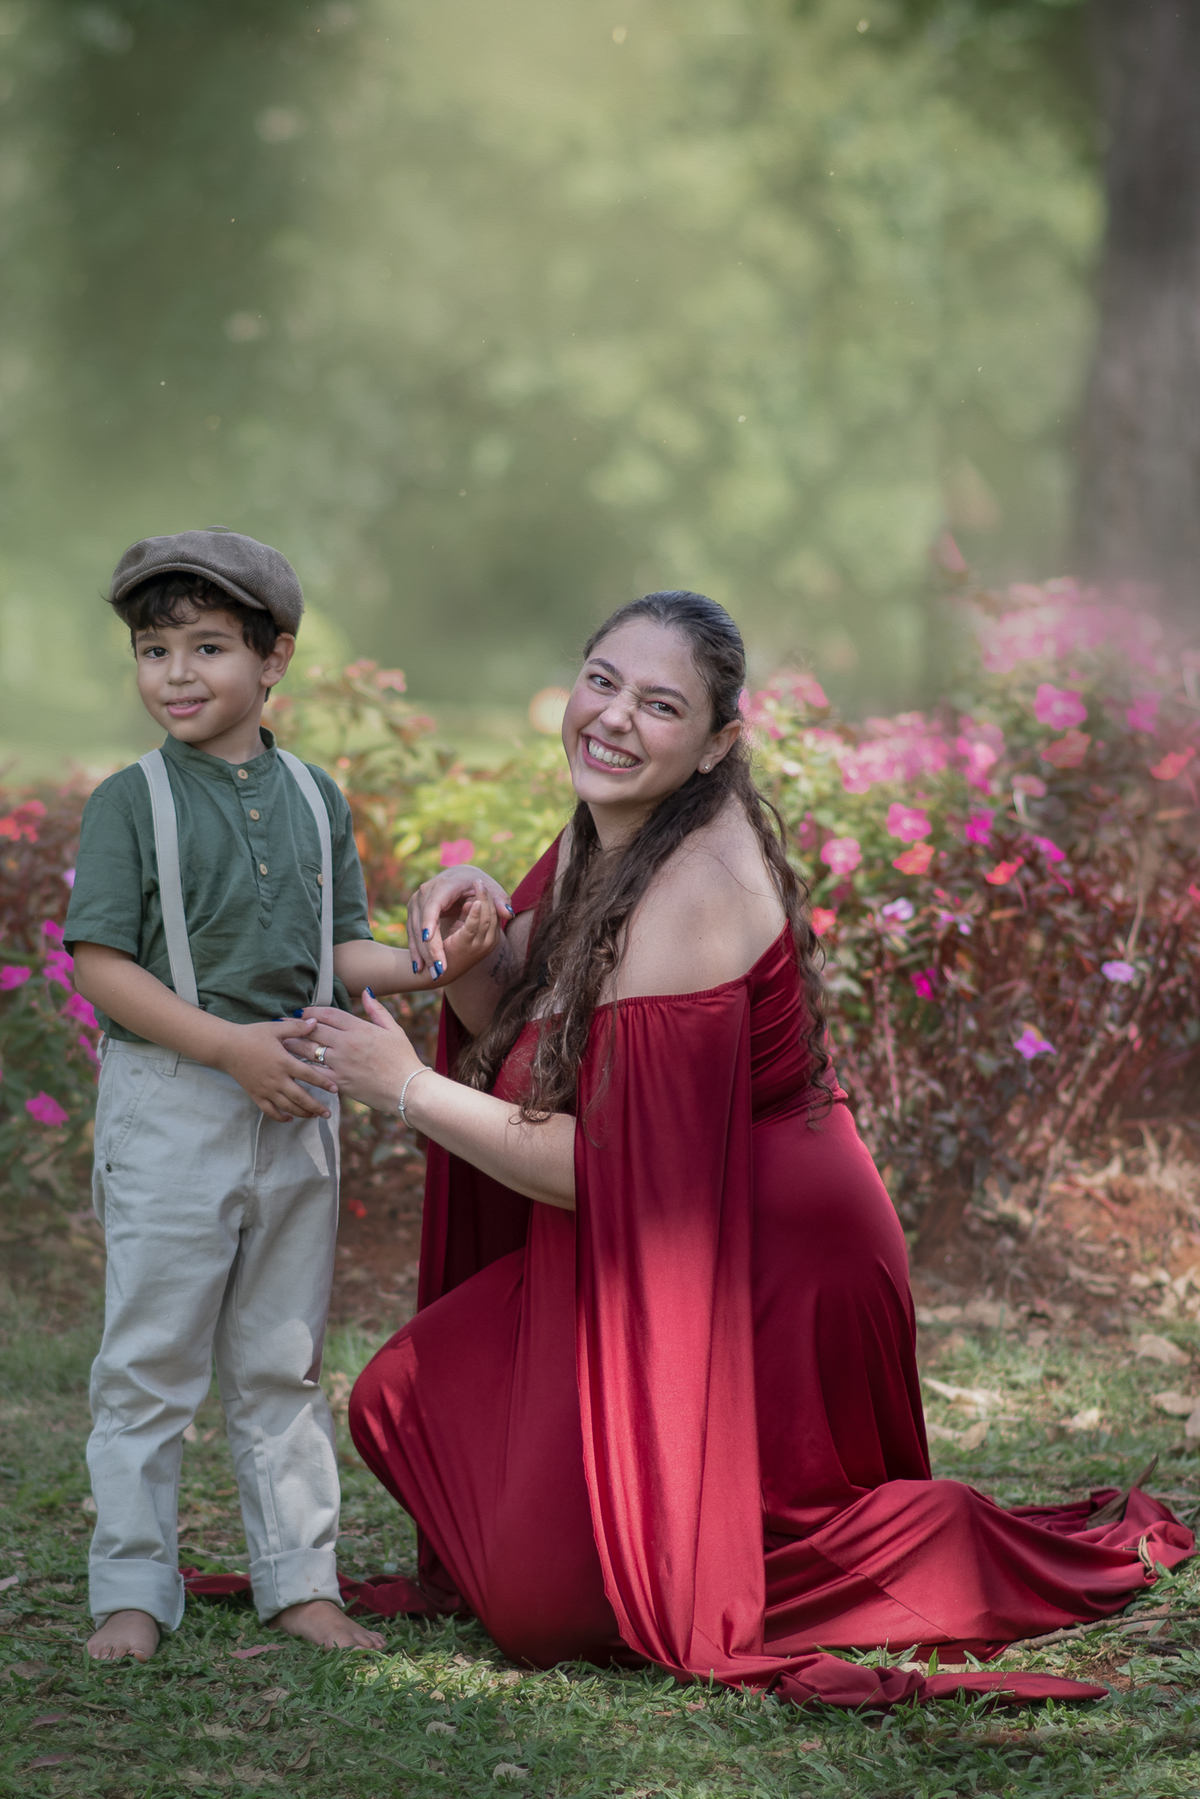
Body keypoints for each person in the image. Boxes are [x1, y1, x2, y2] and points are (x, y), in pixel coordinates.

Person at [288, 591, 1192, 1708]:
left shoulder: (697, 888)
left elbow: (614, 1170)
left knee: (543, 1608)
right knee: (400, 1400)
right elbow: (519, 1019)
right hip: (671, 1219)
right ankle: (652, 1538)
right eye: (602, 679)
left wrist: (407, 1087)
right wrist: (462, 938)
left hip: (762, 1257)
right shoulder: (608, 829)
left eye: (660, 703)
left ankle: (893, 1547)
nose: (613, 718)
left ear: (721, 741)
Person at [65, 529, 502, 1663]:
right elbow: (101, 965)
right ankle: (131, 1587)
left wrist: (430, 964)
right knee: (151, 1358)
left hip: (298, 1106)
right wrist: (226, 1049)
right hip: (175, 1101)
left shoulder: (315, 795)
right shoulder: (130, 801)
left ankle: (300, 1580)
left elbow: (340, 947)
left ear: (276, 658)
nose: (175, 672)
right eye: (154, 648)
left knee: (282, 1355)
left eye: (207, 645)